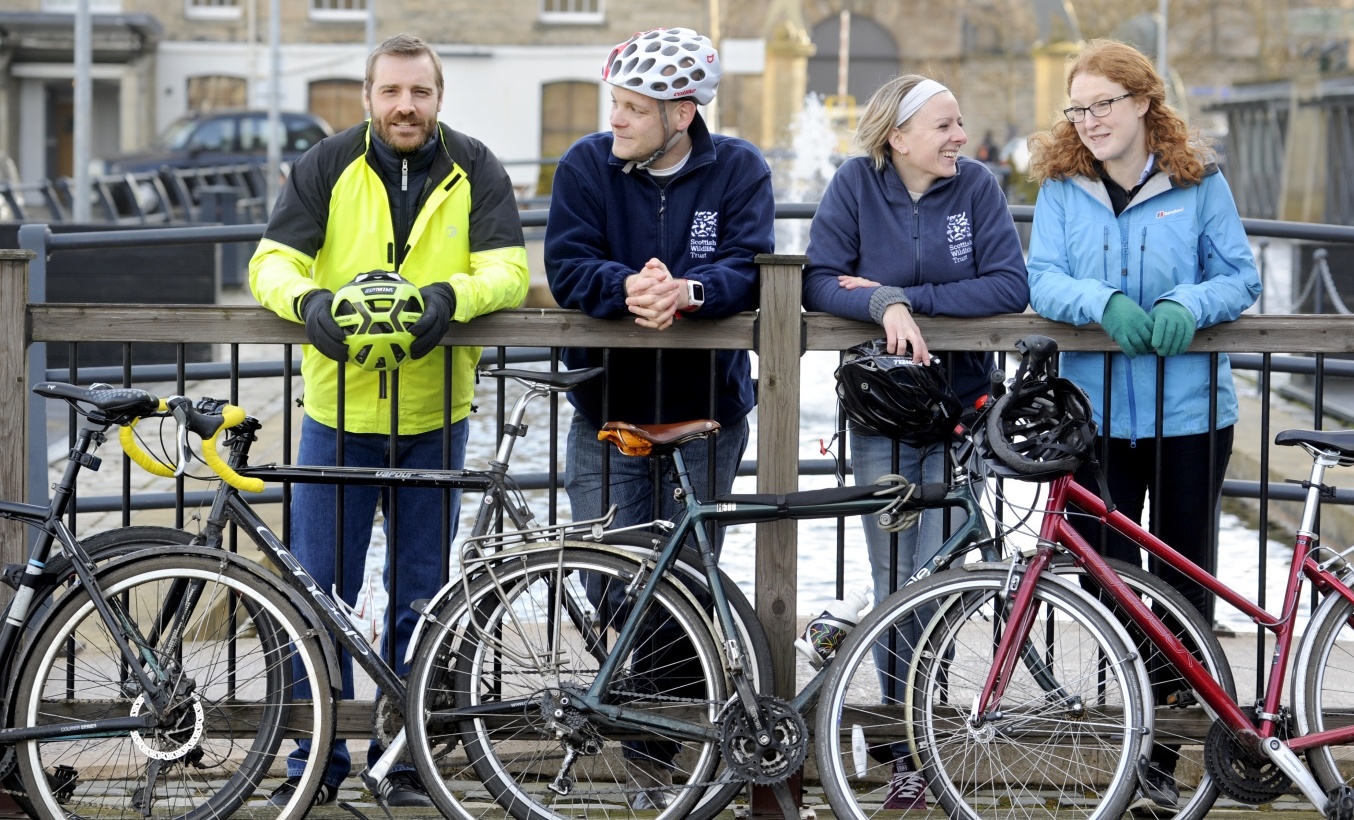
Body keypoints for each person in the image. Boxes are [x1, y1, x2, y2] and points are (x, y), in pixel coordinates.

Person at [248, 33, 528, 808]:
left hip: (437, 416)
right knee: (318, 595)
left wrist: (448, 300)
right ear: (369, 97)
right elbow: (271, 260)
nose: (406, 106)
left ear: (439, 97)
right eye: (391, 92)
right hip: (337, 415)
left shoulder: (477, 166)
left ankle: (402, 760)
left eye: (421, 93)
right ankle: (318, 758)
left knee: (421, 596)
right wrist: (307, 305)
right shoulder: (326, 163)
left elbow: (508, 269)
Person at [1024, 38, 1261, 813]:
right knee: (1114, 585)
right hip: (1094, 417)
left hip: (1189, 414)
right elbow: (1043, 278)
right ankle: (1133, 737)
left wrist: (1184, 305)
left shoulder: (1200, 182)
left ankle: (1164, 755)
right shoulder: (1063, 186)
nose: (1090, 120)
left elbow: (1239, 276)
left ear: (1142, 104)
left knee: (1183, 583)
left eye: (1104, 104)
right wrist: (1103, 305)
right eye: (1078, 107)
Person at [543, 26, 775, 811]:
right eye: (615, 105)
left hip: (707, 411)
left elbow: (750, 265)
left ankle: (659, 752)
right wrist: (629, 287)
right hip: (607, 406)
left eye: (632, 110)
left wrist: (690, 292)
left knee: (685, 580)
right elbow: (567, 263)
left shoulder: (739, 168)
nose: (617, 122)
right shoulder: (586, 165)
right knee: (610, 576)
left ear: (681, 114)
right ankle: (653, 734)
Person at [802, 74, 1029, 810]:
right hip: (881, 416)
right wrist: (878, 300)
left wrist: (913, 303)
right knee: (897, 584)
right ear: (898, 136)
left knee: (941, 588)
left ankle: (922, 740)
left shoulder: (978, 189)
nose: (960, 138)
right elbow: (815, 281)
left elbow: (1006, 285)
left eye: (960, 124)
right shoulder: (853, 185)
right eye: (945, 125)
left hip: (961, 411)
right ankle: (903, 750)